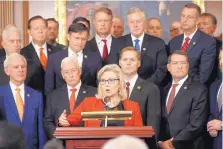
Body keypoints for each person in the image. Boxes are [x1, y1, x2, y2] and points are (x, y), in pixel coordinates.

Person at [58, 64, 143, 127]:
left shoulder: (132, 106)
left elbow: (139, 135)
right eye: (103, 81)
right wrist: (62, 121)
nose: (106, 84)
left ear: (120, 83)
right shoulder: (88, 103)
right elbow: (68, 121)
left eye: (111, 80)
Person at [159, 50, 208, 149]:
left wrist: (172, 143)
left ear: (188, 66)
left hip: (188, 146)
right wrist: (160, 143)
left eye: (183, 63)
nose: (179, 66)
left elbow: (196, 125)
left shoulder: (199, 89)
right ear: (168, 67)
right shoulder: (163, 90)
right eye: (175, 63)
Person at [0, 53, 46, 149]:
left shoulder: (36, 95)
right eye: (16, 67)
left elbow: (41, 129)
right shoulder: (1, 94)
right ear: (6, 71)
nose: (20, 70)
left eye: (23, 67)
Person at [44, 57, 96, 139]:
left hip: (86, 142)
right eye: (66, 72)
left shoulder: (94, 93)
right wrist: (59, 129)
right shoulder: (53, 96)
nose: (71, 75)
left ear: (80, 71)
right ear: (62, 75)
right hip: (61, 144)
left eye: (73, 70)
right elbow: (48, 122)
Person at [45, 23, 101, 94]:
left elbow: (99, 85)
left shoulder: (95, 59)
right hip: (61, 102)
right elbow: (49, 88)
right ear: (68, 37)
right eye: (77, 38)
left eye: (83, 39)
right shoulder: (54, 58)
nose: (80, 42)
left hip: (88, 101)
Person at [168, 3, 216, 85]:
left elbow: (203, 76)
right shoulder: (173, 42)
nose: (185, 20)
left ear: (197, 20)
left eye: (189, 17)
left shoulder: (208, 42)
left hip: (194, 92)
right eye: (183, 16)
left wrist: (181, 88)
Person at [119, 47, 161, 138]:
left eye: (132, 60)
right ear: (119, 63)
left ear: (139, 63)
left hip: (139, 141)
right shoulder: (112, 87)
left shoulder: (151, 89)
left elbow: (153, 123)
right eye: (125, 59)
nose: (128, 63)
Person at [118, 7, 167, 86]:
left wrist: (145, 87)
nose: (135, 25)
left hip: (150, 89)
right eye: (132, 22)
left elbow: (161, 69)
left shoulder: (158, 43)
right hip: (124, 89)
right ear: (127, 23)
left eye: (138, 21)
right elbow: (114, 68)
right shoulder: (118, 43)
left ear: (144, 23)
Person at [20, 15, 59, 94]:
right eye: (36, 28)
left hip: (54, 99)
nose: (40, 31)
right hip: (32, 98)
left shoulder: (57, 52)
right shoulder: (22, 54)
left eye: (43, 28)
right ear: (29, 32)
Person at [198, 13, 222, 81]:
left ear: (213, 28)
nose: (200, 27)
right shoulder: (190, 45)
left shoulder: (220, 46)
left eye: (205, 24)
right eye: (198, 24)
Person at [207, 48, 222, 149]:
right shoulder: (215, 86)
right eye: (220, 58)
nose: (221, 62)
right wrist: (211, 126)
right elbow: (213, 113)